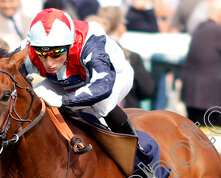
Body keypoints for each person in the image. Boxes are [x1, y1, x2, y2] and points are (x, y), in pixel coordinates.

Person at [21, 8, 138, 148]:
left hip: (113, 77)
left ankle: (137, 154)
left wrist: (63, 100)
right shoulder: (30, 47)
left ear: (70, 45)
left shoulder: (91, 43)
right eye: (41, 52)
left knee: (103, 104)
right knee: (33, 96)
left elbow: (103, 86)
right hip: (64, 82)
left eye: (56, 52)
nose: (48, 62)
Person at [180, 0, 221, 129]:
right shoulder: (220, 31)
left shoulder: (200, 28)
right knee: (214, 145)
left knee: (196, 140)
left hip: (195, 98)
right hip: (212, 101)